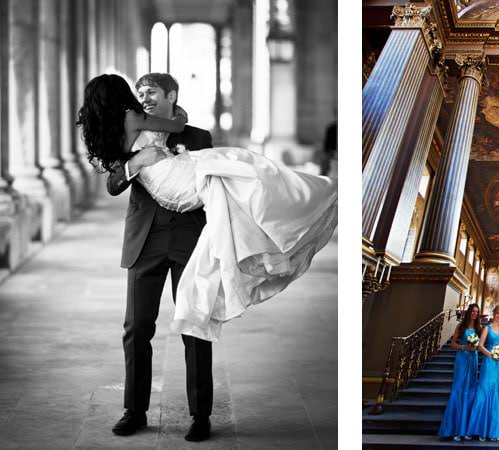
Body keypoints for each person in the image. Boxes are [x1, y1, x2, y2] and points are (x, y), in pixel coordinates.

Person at [77, 74, 337, 441]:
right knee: (136, 328)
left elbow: (209, 182)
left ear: (172, 95)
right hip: (144, 241)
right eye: (139, 93)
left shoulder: (196, 137)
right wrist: (137, 162)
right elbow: (113, 182)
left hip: (191, 238)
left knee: (195, 325)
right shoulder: (125, 129)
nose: (144, 97)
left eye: (151, 92)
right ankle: (134, 410)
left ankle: (201, 415)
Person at [465, 304, 499, 441]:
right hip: (489, 362)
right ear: (494, 313)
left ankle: (493, 429)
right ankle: (477, 429)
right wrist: (491, 355)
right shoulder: (487, 328)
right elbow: (480, 345)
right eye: (497, 313)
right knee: (483, 391)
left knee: (496, 392)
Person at [437, 304, 480, 441]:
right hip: (462, 359)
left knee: (471, 390)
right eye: (473, 311)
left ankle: (467, 429)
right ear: (469, 312)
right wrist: (464, 347)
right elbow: (453, 344)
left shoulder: (479, 328)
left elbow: (482, 344)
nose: (474, 314)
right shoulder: (460, 327)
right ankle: (455, 428)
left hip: (473, 359)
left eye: (477, 312)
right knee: (459, 389)